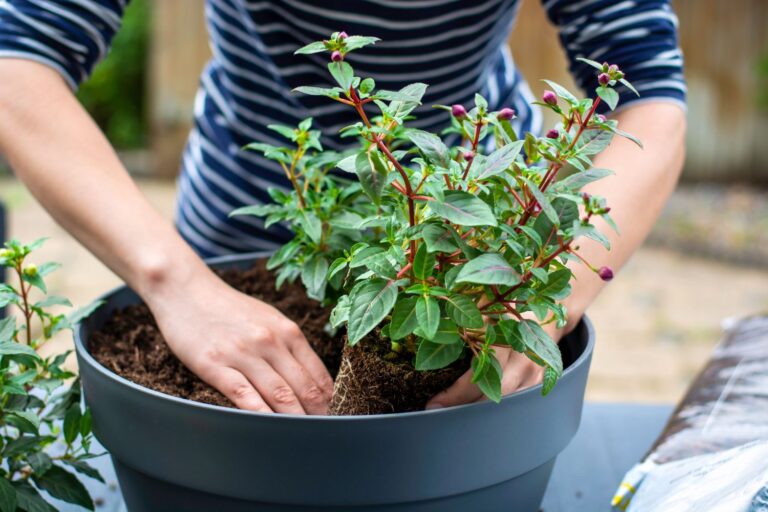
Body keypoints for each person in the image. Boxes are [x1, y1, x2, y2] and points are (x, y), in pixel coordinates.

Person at [0, 1, 686, 414]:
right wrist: (177, 282)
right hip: (253, 219)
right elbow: (18, 57)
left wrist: (549, 290)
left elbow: (650, 96)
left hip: (469, 238)